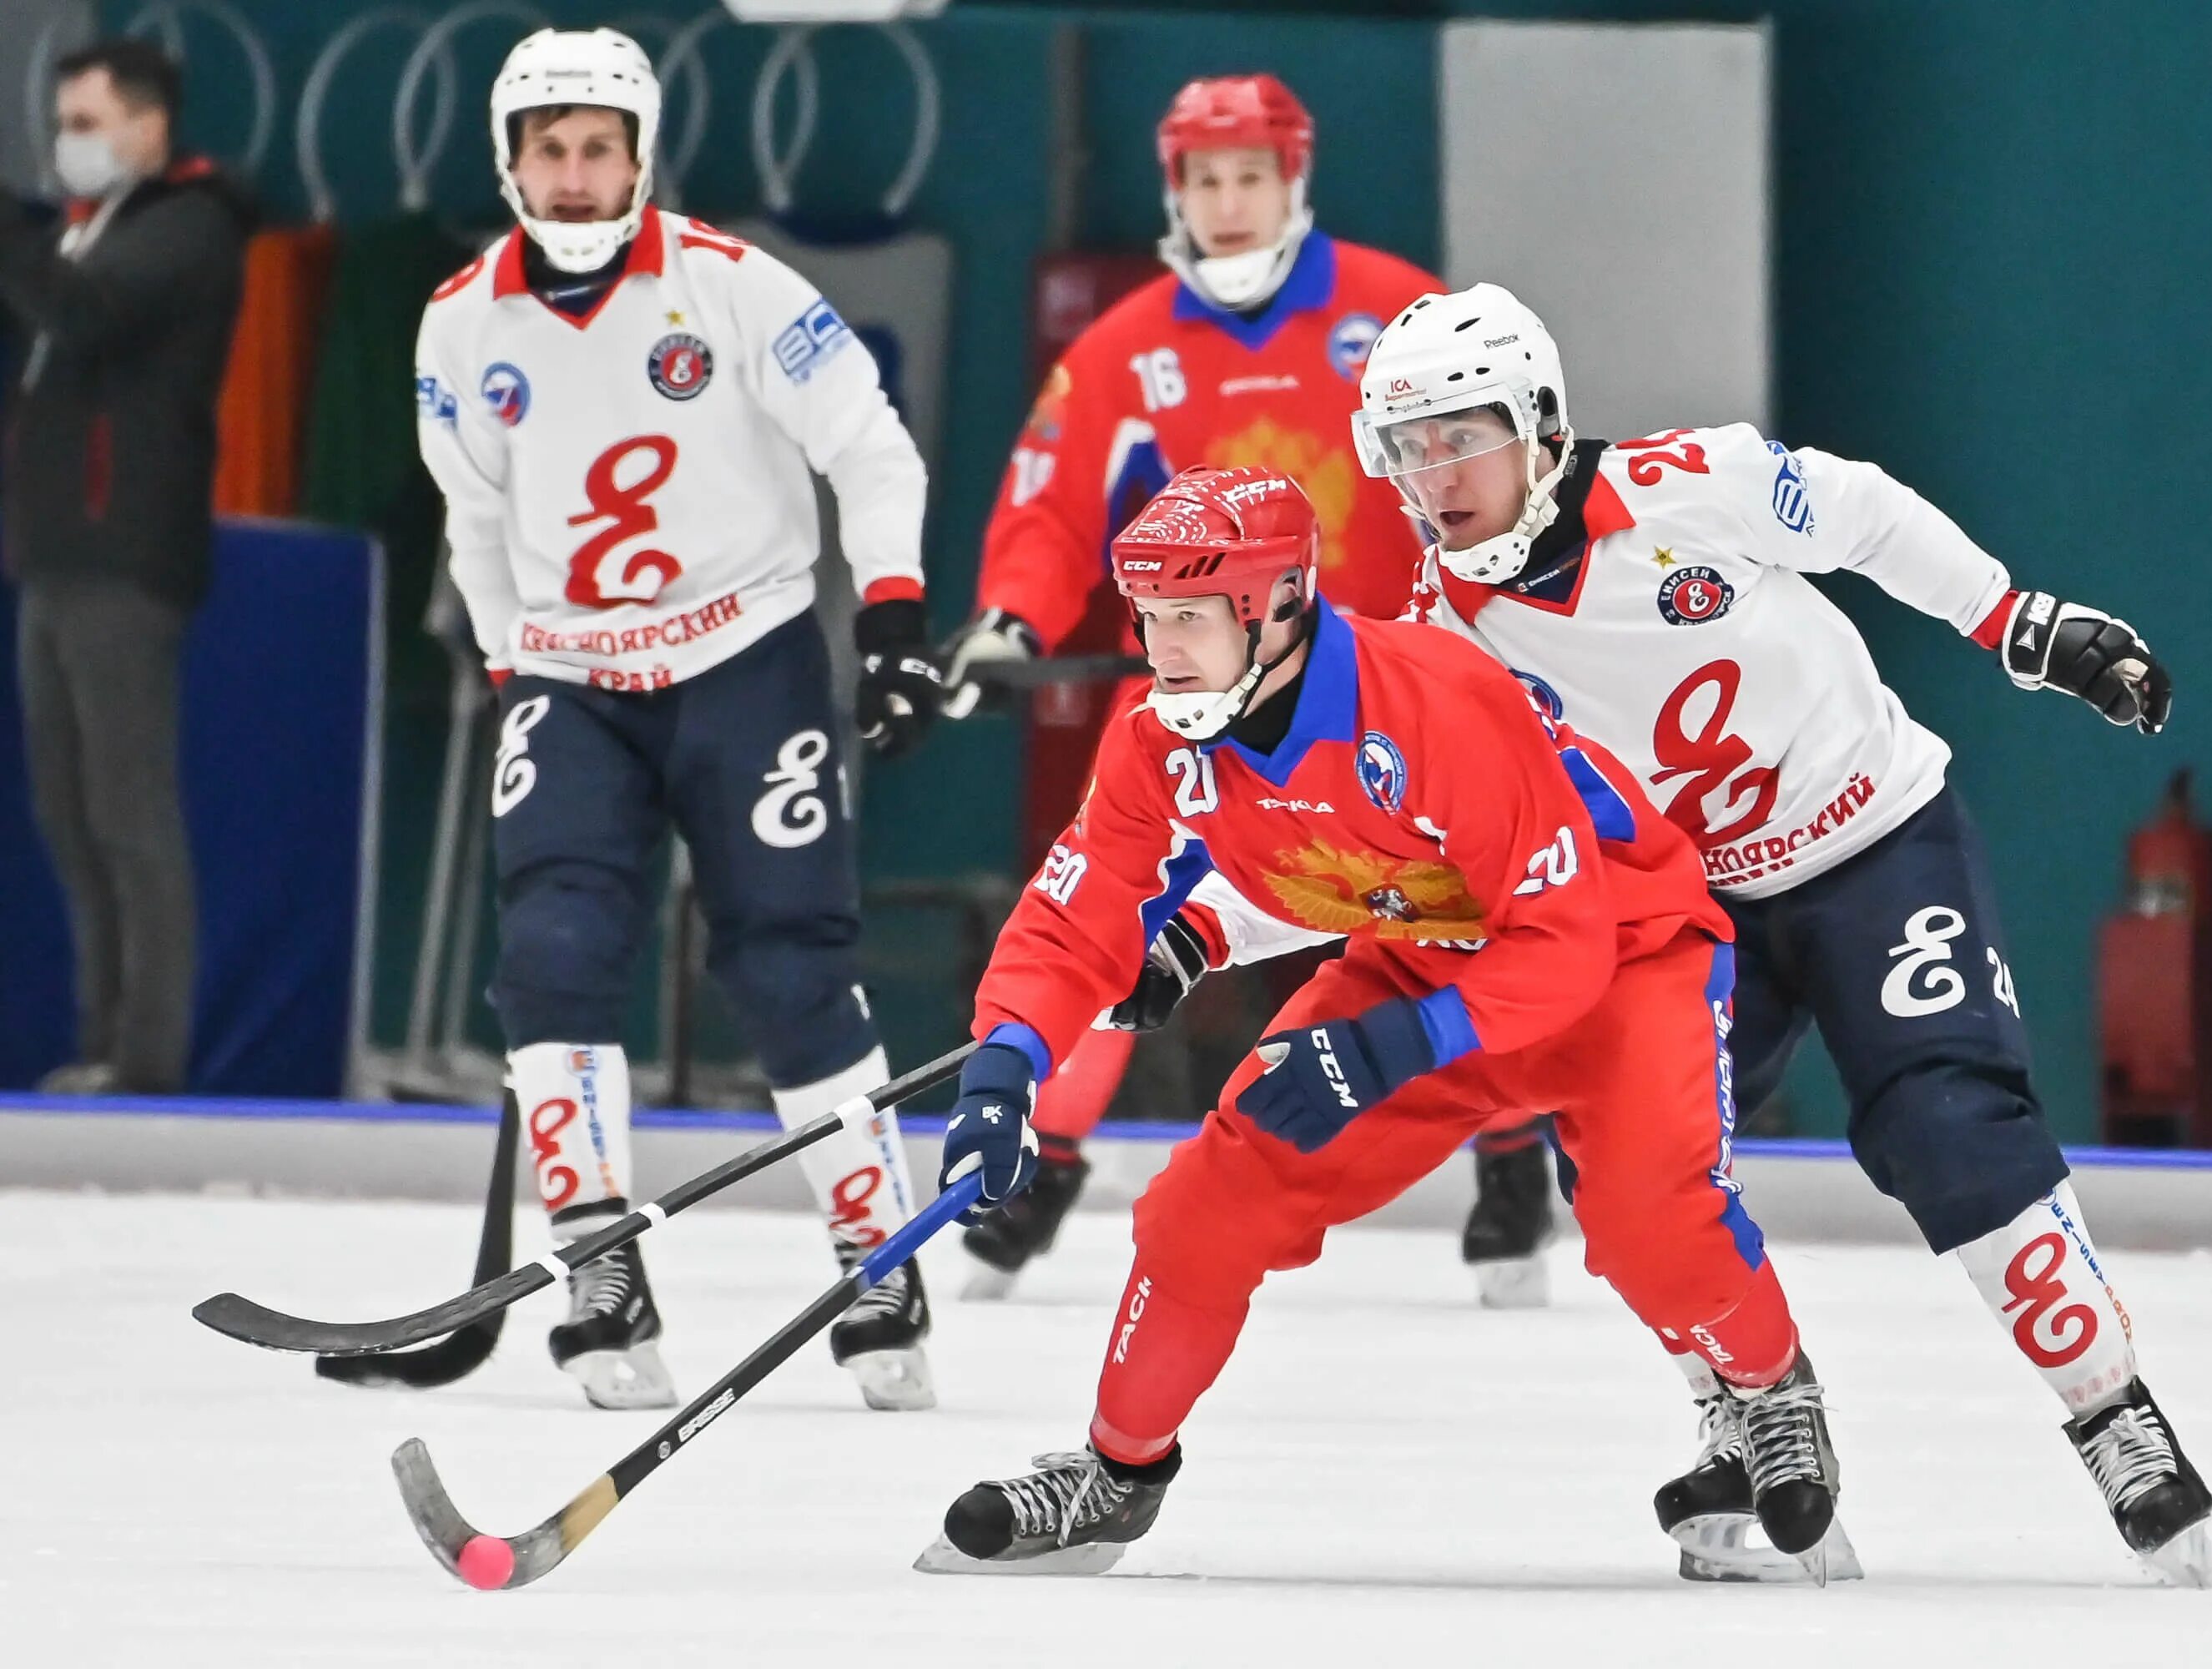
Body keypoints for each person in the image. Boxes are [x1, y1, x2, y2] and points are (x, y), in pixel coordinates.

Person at [1359, 282, 2212, 1586]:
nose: (1437, 476)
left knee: (1948, 1126)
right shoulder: (1435, 640)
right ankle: (1748, 1409)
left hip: (1871, 840)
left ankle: (2116, 1416)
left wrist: (2020, 625)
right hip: (1685, 913)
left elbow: (1864, 513)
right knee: (1630, 1176)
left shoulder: (1685, 481)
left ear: (1539, 422)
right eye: (1408, 449)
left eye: (1461, 434)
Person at [916, 466, 1854, 1584]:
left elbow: (1562, 944)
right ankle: (1115, 1475)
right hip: (1419, 956)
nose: (1163, 649)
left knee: (1654, 1222)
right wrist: (1003, 1068)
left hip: (1622, 956)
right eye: (1150, 617)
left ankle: (1770, 1388)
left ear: (1274, 609)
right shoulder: (1160, 737)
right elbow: (1076, 915)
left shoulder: (1433, 702)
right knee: (1208, 1205)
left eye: (1191, 617)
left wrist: (1385, 1050)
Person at [939, 73, 1560, 1306]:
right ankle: (1042, 1164)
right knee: (1126, 913)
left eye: (1250, 177)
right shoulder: (1129, 342)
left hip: (1402, 687)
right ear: (1176, 191)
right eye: (1204, 180)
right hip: (1219, 697)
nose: (1227, 204)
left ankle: (1510, 1168)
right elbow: (1051, 491)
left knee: (1472, 909)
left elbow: (1486, 471)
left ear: (1295, 179)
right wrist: (1011, 616)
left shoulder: (1395, 309)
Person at [413, 28, 947, 1413]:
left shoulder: (734, 287)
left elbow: (868, 445)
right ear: (509, 160)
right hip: (576, 683)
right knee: (550, 954)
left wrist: (889, 617)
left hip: (746, 660)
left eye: (600, 148)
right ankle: (598, 1264)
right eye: (550, 149)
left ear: (641, 157)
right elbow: (475, 519)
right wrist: (514, 655)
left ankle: (878, 1256)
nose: (576, 175)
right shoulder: (460, 325)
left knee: (786, 967)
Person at [0, 39, 254, 1095]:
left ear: (150, 128)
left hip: (125, 551)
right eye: (64, 123)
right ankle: (103, 1037)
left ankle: (147, 1057)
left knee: (128, 808)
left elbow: (82, 315)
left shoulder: (190, 226)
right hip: (57, 551)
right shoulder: (89, 227)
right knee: (66, 806)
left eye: (90, 122)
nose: (71, 144)